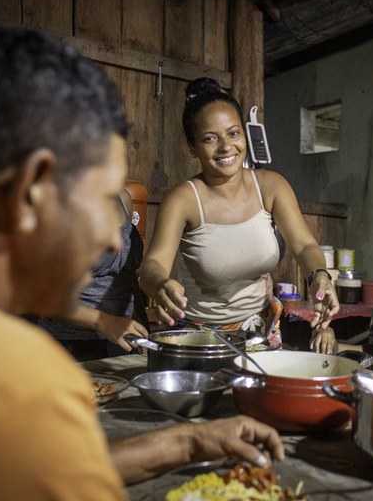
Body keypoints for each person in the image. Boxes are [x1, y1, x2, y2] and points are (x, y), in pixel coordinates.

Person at [0, 26, 283, 499]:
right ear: (32, 189)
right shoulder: (17, 378)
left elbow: (35, 464)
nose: (114, 236)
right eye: (99, 200)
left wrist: (187, 441)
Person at [139, 77, 340, 353]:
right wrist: (160, 284)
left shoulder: (271, 186)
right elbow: (152, 267)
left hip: (262, 334)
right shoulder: (183, 200)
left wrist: (319, 275)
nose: (225, 147)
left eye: (233, 134)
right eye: (210, 138)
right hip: (199, 340)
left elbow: (304, 245)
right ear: (192, 146)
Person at [35, 189, 150, 361]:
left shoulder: (121, 197)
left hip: (121, 341)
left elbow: (127, 276)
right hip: (69, 346)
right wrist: (106, 322)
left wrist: (144, 328)